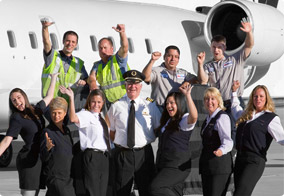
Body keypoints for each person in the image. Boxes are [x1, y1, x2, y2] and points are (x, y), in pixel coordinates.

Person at [0, 73, 58, 196]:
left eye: (19, 97)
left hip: (41, 157)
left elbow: (49, 96)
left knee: (36, 192)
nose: (17, 102)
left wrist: (53, 78)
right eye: (14, 100)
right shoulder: (16, 118)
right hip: (29, 158)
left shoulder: (36, 109)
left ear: (24, 97)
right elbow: (7, 140)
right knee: (29, 194)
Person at [107, 70, 161, 196]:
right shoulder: (116, 105)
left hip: (143, 154)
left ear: (141, 86)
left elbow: (157, 128)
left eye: (136, 83)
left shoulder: (149, 105)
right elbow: (111, 131)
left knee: (146, 189)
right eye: (129, 83)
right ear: (125, 85)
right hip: (123, 154)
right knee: (122, 190)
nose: (132, 86)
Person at [231, 81, 284, 196]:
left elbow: (282, 138)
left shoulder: (271, 118)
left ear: (266, 99)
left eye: (261, 96)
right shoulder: (245, 115)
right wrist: (234, 92)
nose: (258, 99)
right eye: (255, 96)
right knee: (238, 192)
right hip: (240, 160)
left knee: (241, 193)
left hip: (255, 161)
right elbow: (235, 107)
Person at [60, 86, 110, 196]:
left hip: (104, 157)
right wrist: (71, 98)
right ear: (89, 102)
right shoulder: (86, 114)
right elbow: (73, 118)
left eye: (99, 102)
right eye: (93, 102)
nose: (96, 105)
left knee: (102, 191)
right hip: (92, 156)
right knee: (93, 191)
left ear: (103, 103)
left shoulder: (101, 117)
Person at [150, 84, 198, 196]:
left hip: (177, 165)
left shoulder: (184, 120)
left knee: (156, 187)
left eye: (172, 103)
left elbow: (194, 116)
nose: (168, 106)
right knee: (174, 191)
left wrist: (187, 96)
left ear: (179, 104)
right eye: (167, 103)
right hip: (163, 163)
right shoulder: (167, 121)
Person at [197, 17, 254, 110]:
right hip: (217, 104)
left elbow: (249, 45)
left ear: (224, 48)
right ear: (210, 48)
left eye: (220, 47)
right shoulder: (208, 65)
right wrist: (200, 64)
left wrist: (249, 32)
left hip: (234, 102)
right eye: (214, 47)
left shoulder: (235, 59)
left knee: (236, 124)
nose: (216, 50)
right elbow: (203, 81)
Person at [41, 19, 88, 102]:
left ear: (76, 44)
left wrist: (83, 82)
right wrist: (45, 28)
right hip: (51, 102)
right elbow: (46, 43)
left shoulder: (78, 63)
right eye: (68, 41)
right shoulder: (52, 57)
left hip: (67, 104)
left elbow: (86, 79)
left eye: (73, 42)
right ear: (63, 41)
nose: (70, 44)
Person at [199, 87, 233, 196]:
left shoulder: (222, 117)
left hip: (219, 167)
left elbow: (228, 141)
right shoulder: (208, 118)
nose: (210, 102)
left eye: (213, 99)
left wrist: (221, 150)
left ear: (218, 100)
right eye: (207, 99)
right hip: (208, 166)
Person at [142, 45, 198, 111]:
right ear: (164, 57)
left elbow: (197, 80)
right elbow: (145, 77)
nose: (173, 59)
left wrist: (188, 82)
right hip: (160, 109)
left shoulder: (183, 73)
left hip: (177, 110)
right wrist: (152, 61)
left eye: (176, 57)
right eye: (170, 56)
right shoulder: (157, 71)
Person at [40, 97, 76, 196]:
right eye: (53, 113)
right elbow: (43, 157)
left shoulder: (67, 131)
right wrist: (47, 148)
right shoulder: (48, 132)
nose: (56, 116)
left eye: (59, 113)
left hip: (68, 176)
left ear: (65, 113)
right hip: (56, 177)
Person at [88, 24, 130, 108]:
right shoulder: (97, 65)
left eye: (105, 47)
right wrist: (93, 84)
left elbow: (124, 48)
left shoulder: (118, 60)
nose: (103, 50)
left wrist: (122, 33)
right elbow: (91, 77)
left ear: (112, 49)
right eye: (100, 48)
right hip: (109, 104)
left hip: (123, 101)